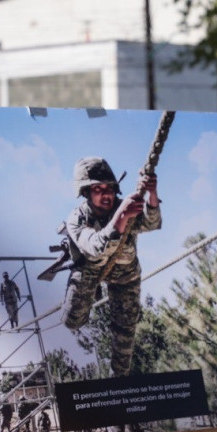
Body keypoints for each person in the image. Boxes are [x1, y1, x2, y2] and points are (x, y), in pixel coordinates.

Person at [58, 156, 161, 377]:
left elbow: (152, 223)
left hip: (126, 275)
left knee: (125, 332)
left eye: (110, 188)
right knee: (72, 321)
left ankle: (118, 384)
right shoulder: (77, 218)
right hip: (90, 269)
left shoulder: (126, 205)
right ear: (86, 192)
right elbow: (95, 247)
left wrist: (152, 193)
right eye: (98, 188)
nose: (106, 194)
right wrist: (121, 217)